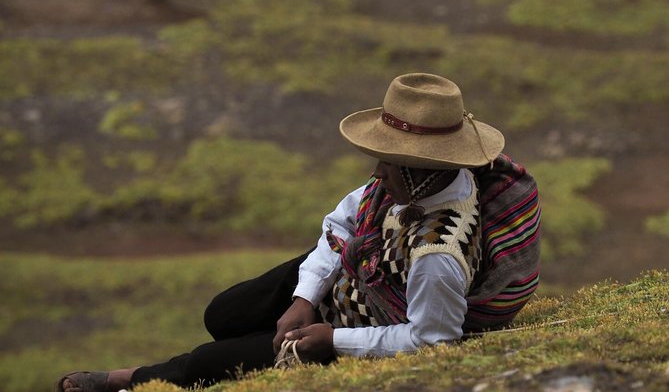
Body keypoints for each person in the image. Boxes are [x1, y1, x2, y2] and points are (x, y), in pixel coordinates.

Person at [56, 73, 541, 392]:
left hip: (359, 322)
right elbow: (342, 223)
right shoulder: (413, 185)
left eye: (389, 161)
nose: (376, 171)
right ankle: (263, 334)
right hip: (354, 277)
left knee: (207, 363)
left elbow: (434, 340)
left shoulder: (438, 254)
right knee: (223, 312)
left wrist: (333, 339)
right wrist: (306, 296)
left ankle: (130, 381)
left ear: (421, 167)